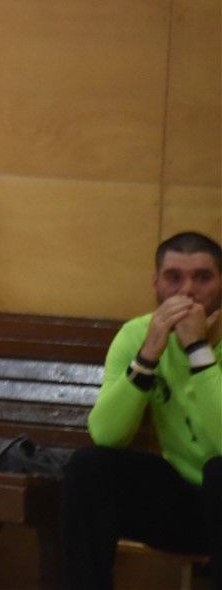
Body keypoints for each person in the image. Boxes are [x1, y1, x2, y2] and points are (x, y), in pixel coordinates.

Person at [60, 231, 221, 590]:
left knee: (219, 471)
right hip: (184, 502)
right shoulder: (137, 335)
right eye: (173, 277)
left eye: (202, 278)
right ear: (156, 283)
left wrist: (198, 349)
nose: (187, 291)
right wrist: (147, 357)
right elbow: (107, 435)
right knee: (89, 466)